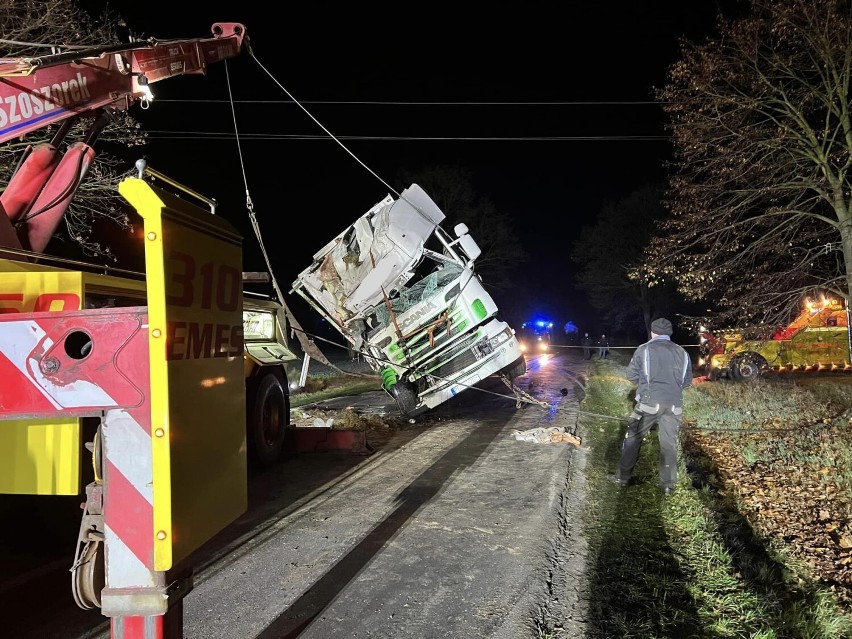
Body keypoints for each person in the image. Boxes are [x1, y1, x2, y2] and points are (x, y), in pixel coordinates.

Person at [607, 317, 693, 495]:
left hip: (648, 404)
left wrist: (645, 386)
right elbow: (686, 382)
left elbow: (631, 375)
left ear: (653, 332)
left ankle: (622, 478)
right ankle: (668, 485)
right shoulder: (683, 353)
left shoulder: (644, 349)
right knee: (669, 444)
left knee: (633, 438)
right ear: (669, 333)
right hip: (674, 406)